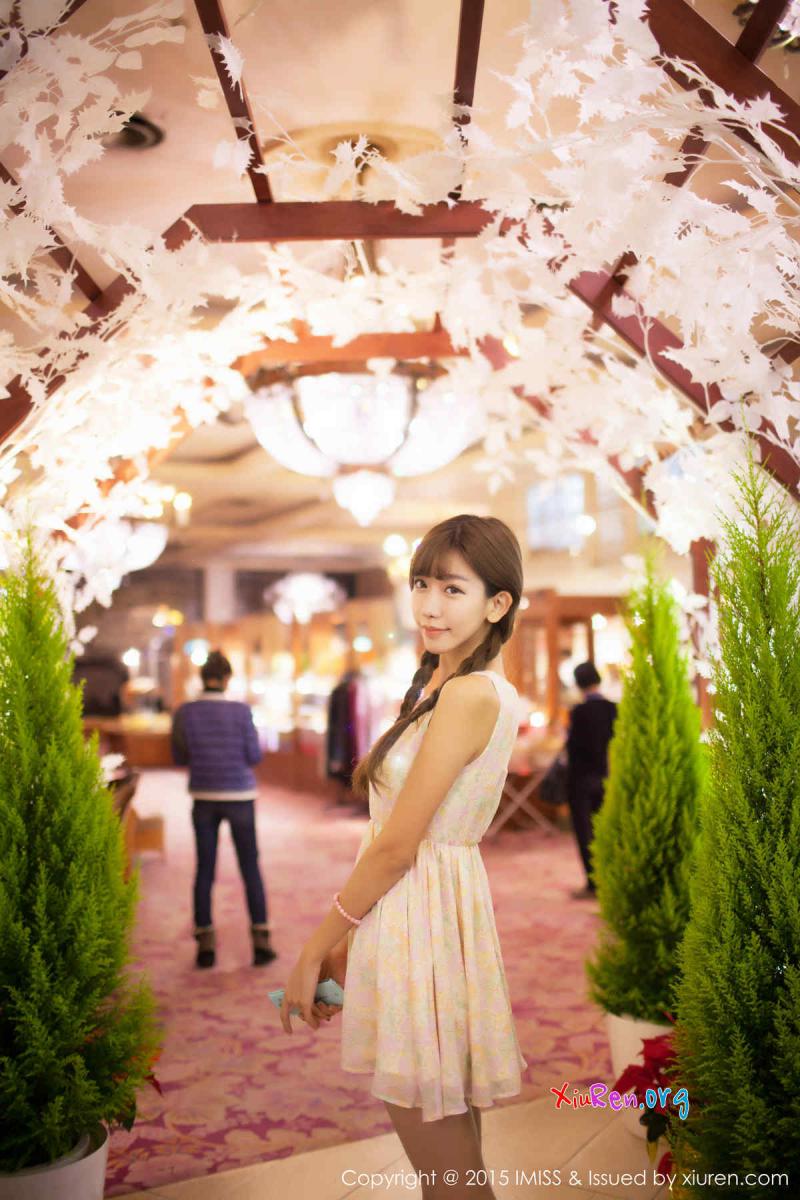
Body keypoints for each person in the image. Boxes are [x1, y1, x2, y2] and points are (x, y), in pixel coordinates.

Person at [279, 515, 527, 1200]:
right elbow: (390, 842)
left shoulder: (470, 695)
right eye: (421, 584)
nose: (429, 605)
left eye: (453, 589)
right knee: (454, 1170)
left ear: (497, 604)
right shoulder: (450, 688)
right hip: (421, 917)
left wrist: (316, 946)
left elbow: (396, 846)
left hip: (423, 923)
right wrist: (350, 943)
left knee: (451, 1182)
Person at [171, 650, 276, 969]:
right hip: (240, 796)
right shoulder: (241, 711)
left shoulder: (185, 712)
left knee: (205, 869)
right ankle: (261, 942)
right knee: (250, 866)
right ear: (227, 679)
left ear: (202, 678)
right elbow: (254, 756)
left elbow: (179, 756)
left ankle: (205, 946)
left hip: (203, 796)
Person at [565, 660, 617, 900]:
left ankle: (593, 883)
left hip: (581, 780)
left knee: (585, 832)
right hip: (607, 777)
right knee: (606, 829)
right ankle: (609, 878)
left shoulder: (578, 712)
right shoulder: (613, 708)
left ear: (578, 684)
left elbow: (572, 749)